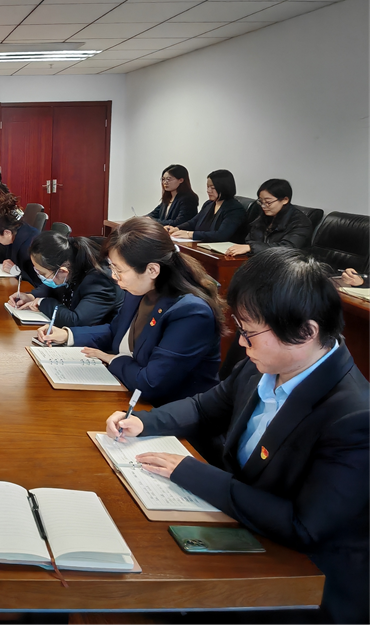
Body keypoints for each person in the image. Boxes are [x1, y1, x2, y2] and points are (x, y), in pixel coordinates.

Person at [105, 249, 369, 625]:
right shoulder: (263, 366)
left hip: (303, 579)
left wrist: (189, 471)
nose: (241, 343)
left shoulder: (355, 417)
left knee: (135, 595)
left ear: (306, 332)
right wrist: (144, 423)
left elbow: (303, 526)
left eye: (250, 333)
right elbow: (204, 407)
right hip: (242, 525)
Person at [40, 217, 224, 405]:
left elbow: (150, 383)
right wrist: (68, 335)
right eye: (112, 267)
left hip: (167, 410)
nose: (114, 276)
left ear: (152, 270)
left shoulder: (191, 312)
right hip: (129, 392)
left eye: (119, 270)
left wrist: (113, 360)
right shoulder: (140, 290)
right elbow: (115, 331)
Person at [9, 231, 124, 328]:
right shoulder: (70, 260)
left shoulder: (100, 280)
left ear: (63, 271)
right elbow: (53, 286)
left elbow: (76, 321)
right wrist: (31, 296)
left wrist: (42, 303)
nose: (40, 276)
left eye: (43, 274)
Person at [225, 179, 313, 257]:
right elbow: (250, 239)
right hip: (260, 260)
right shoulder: (264, 216)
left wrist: (251, 248)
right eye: (261, 202)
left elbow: (287, 248)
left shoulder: (301, 222)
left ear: (285, 200)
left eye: (268, 202)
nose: (263, 206)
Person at [167, 169, 248, 243]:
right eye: (208, 187)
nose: (208, 191)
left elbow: (221, 235)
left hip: (224, 251)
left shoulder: (234, 209)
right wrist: (177, 228)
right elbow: (193, 222)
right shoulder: (209, 204)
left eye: (213, 188)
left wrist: (190, 234)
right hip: (203, 246)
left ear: (224, 188)